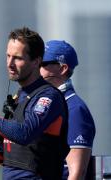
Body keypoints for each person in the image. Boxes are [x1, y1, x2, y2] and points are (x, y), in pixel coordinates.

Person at [0, 27, 69, 180]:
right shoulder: (20, 96)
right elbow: (15, 148)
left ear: (36, 61)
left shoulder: (48, 96)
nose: (10, 63)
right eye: (8, 56)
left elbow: (24, 133)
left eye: (17, 58)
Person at [40, 40, 96, 180]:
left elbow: (76, 173)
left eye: (43, 64)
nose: (36, 68)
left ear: (63, 68)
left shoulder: (75, 109)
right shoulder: (44, 105)